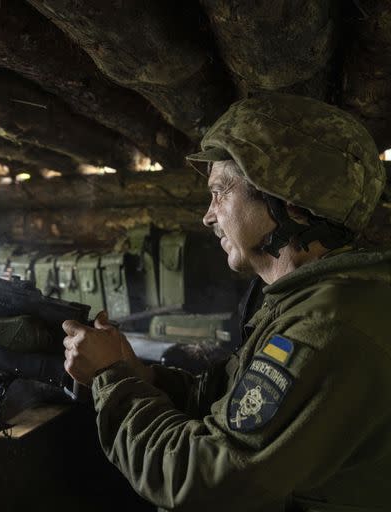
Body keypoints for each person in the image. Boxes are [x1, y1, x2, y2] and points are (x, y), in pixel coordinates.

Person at [62, 93, 391, 512]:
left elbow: (204, 481)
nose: (208, 215)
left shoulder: (327, 328)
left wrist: (111, 377)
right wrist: (142, 376)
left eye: (220, 192)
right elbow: (231, 406)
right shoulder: (313, 301)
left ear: (285, 201)